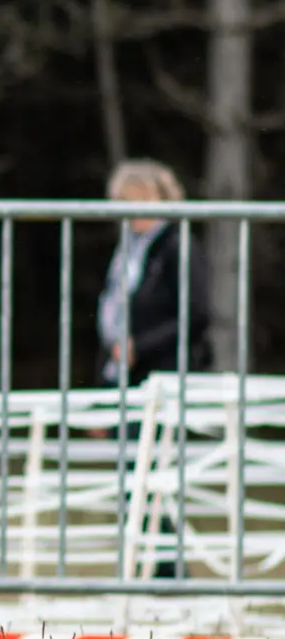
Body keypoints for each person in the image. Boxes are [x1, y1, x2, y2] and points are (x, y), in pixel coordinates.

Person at [95, 159, 212, 580]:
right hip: (125, 378)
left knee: (152, 478)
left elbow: (196, 315)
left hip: (163, 376)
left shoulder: (178, 246)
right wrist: (103, 393)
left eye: (138, 202)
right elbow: (111, 318)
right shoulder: (127, 251)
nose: (131, 213)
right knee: (133, 479)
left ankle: (168, 572)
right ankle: (154, 570)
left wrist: (139, 347)